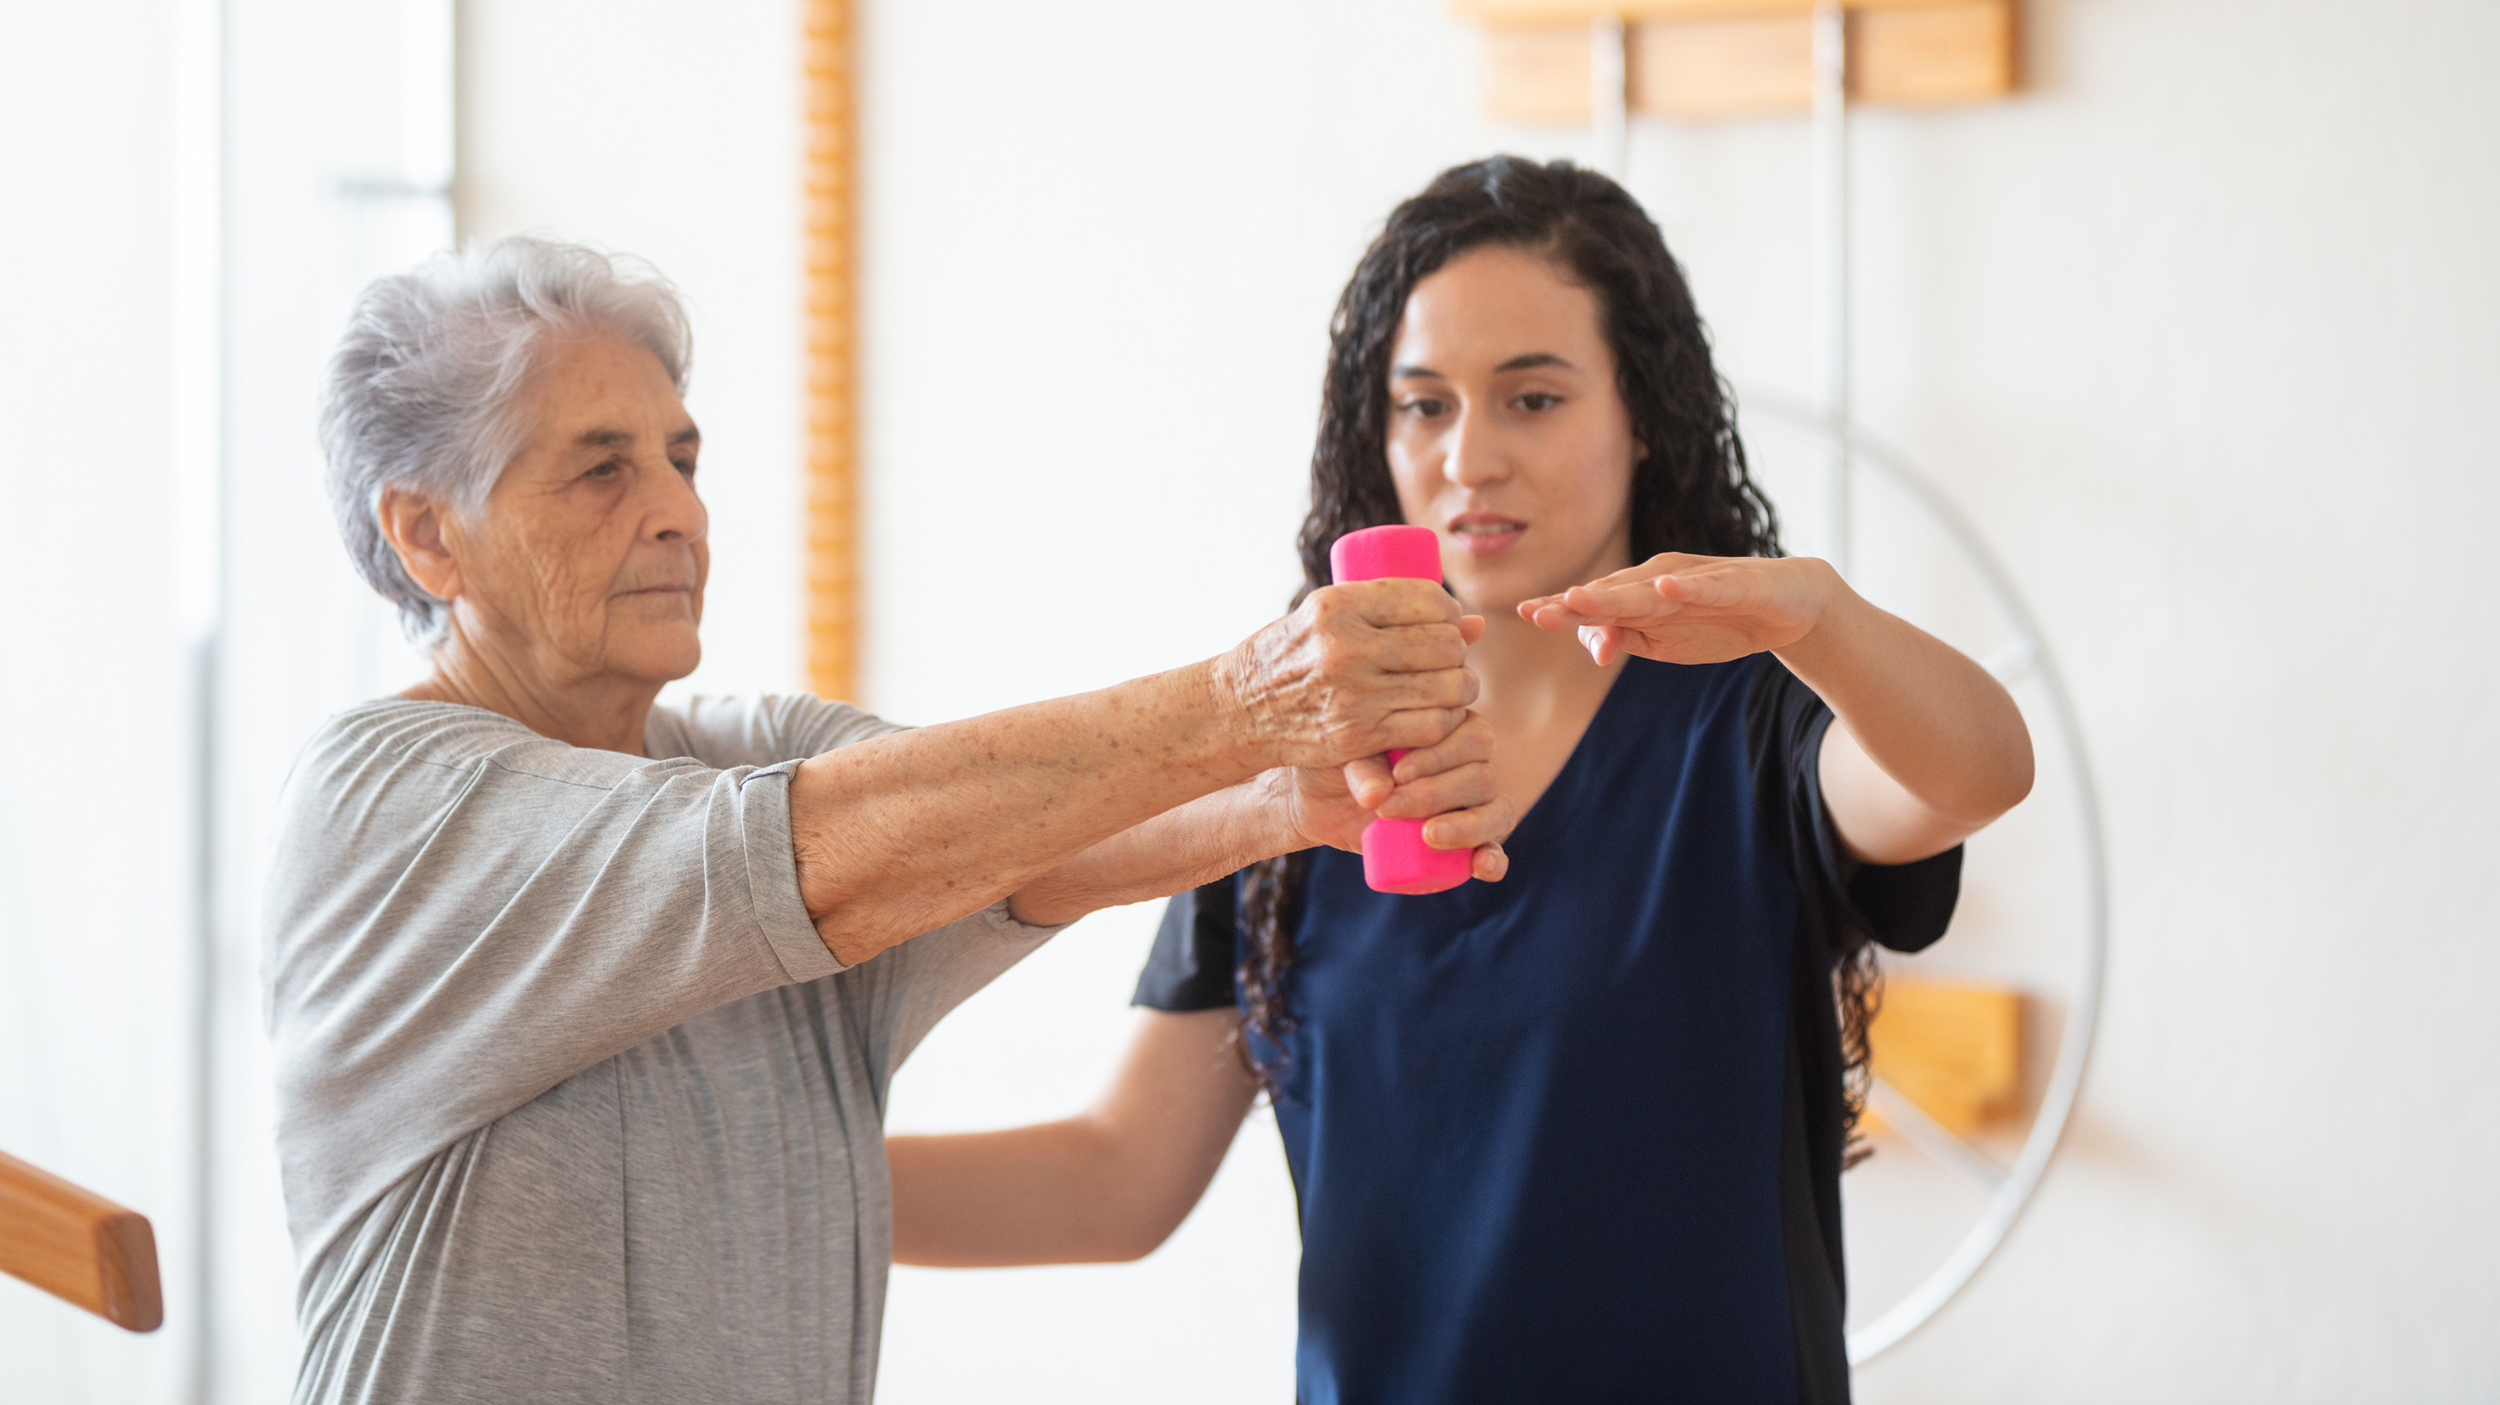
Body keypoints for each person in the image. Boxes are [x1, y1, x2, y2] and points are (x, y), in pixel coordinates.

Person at [261, 235, 1513, 1404]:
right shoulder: (382, 802)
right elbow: (806, 855)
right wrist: (1246, 705)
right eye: (603, 468)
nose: (680, 514)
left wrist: (1280, 801)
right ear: (429, 534)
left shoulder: (758, 752)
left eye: (683, 460)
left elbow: (1002, 843)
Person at [885, 156, 2036, 1404]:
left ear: (1640, 413)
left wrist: (1817, 614)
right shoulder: (1300, 779)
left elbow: (1975, 770)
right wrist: (762, 1169)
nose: (1467, 458)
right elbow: (1115, 1177)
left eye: (1532, 400)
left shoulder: (1753, 730)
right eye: (1423, 406)